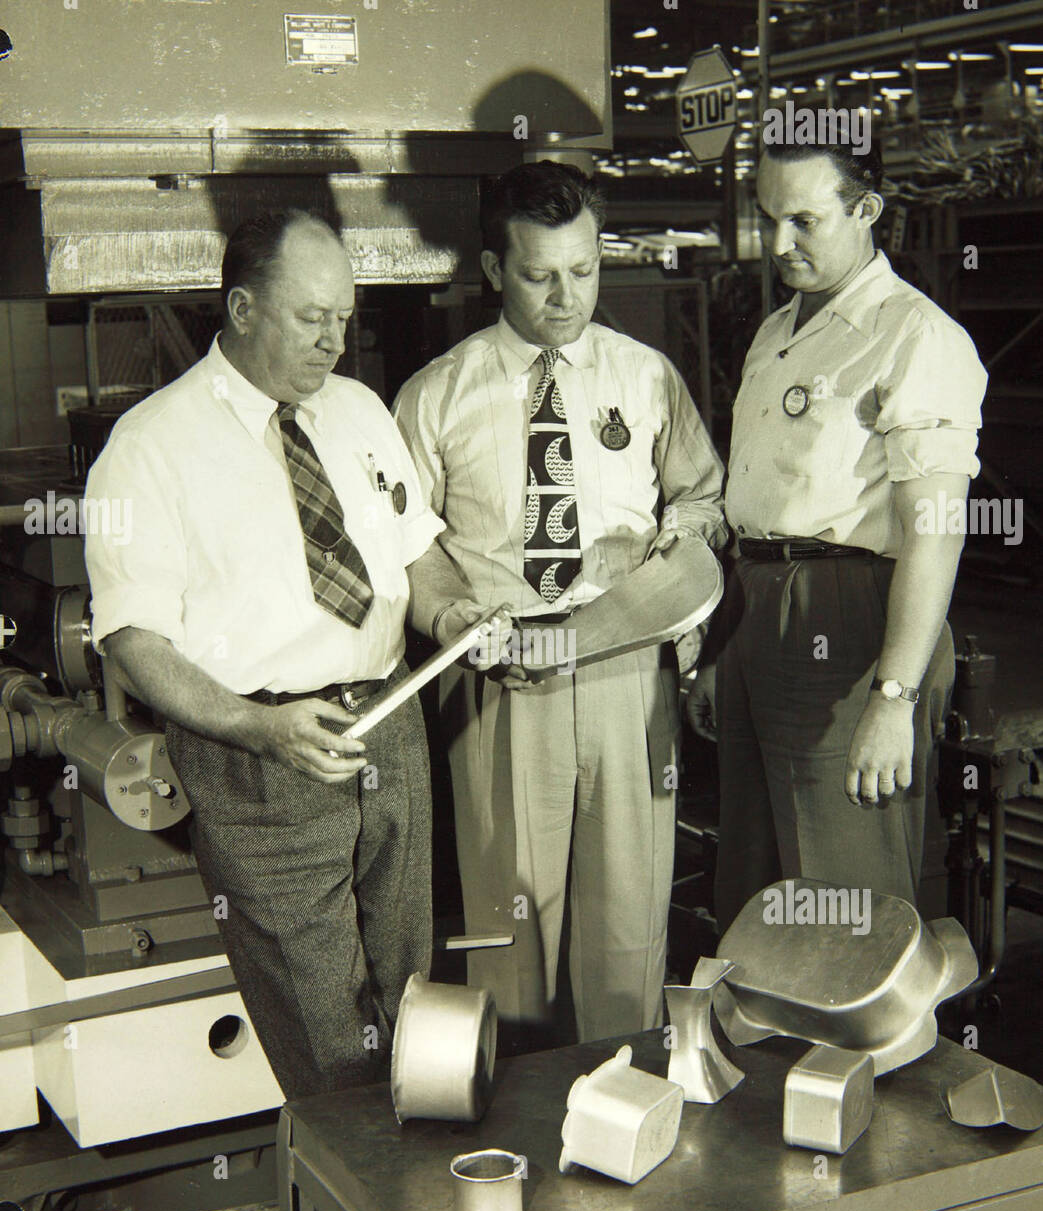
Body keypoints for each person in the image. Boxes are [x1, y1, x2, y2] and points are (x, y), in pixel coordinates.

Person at [84, 209, 468, 1099]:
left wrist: (452, 616)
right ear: (243, 309)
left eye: (344, 317)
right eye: (310, 319)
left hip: (390, 726)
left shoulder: (362, 412)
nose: (334, 341)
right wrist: (258, 728)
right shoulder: (150, 449)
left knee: (411, 997)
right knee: (328, 1034)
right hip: (261, 756)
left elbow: (418, 556)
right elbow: (135, 640)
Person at [397, 161, 727, 1043]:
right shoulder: (436, 395)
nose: (565, 297)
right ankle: (513, 1131)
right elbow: (406, 541)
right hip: (500, 680)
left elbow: (700, 494)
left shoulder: (647, 375)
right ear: (495, 270)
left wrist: (674, 544)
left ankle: (623, 1109)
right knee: (510, 932)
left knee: (629, 921)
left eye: (582, 271)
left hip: (626, 665)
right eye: (539, 275)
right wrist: (453, 619)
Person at [688, 138, 988, 931]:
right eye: (768, 220)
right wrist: (723, 651)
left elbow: (935, 535)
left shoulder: (916, 339)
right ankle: (769, 1047)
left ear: (865, 213)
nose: (778, 244)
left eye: (804, 221)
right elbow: (756, 507)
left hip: (848, 616)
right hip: (755, 607)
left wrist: (894, 697)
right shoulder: (778, 328)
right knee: (754, 873)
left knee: (845, 879)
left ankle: (865, 1054)